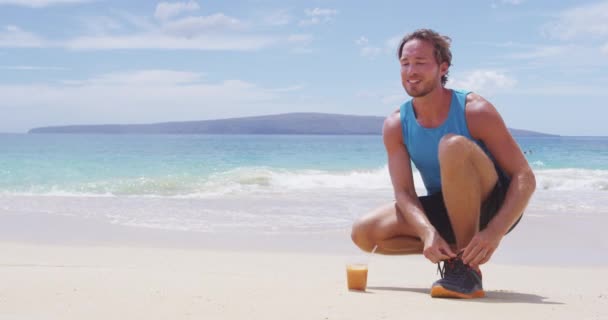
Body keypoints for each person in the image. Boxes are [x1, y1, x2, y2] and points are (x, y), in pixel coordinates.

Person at [350, 29, 536, 299]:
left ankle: (467, 271)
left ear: (442, 68)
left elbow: (524, 176)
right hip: (446, 206)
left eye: (421, 62)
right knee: (364, 233)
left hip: (493, 204)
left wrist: (495, 232)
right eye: (405, 63)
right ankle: (454, 256)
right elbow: (404, 192)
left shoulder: (475, 110)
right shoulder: (395, 125)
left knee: (452, 146)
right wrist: (427, 233)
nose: (411, 70)